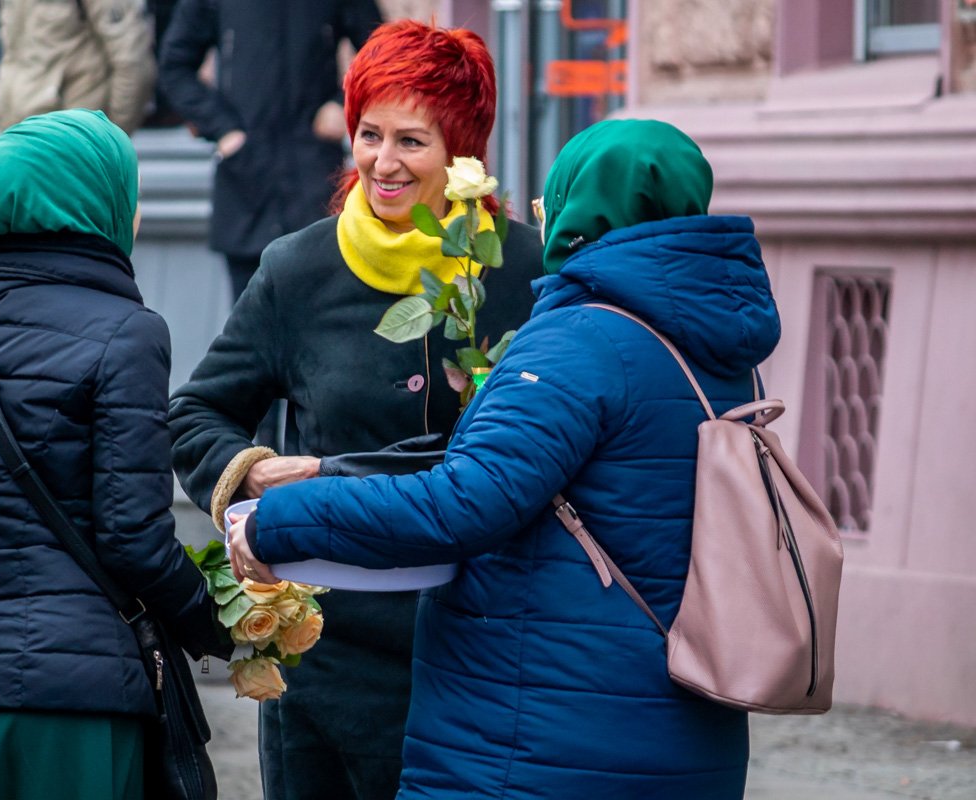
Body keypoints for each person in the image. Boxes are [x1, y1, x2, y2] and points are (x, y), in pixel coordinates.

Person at [229, 118, 781, 798]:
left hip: (537, 745)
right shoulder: (721, 347)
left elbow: (463, 504)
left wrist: (276, 520)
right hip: (685, 736)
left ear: (582, 205)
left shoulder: (581, 341)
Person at [168, 20, 543, 800]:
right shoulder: (298, 268)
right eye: (369, 134)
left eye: (413, 140)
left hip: (480, 641)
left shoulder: (522, 271)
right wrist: (249, 471)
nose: (383, 161)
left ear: (461, 150)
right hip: (329, 658)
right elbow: (195, 411)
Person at [0, 109, 230, 800]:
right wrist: (217, 624)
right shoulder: (128, 333)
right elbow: (133, 539)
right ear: (93, 203)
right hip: (69, 711)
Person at [157, 0, 383, 300]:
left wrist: (342, 104)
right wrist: (225, 130)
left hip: (314, 185)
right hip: (247, 185)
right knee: (251, 330)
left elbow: (382, 56)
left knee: (320, 323)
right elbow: (174, 66)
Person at [0, 0, 156, 134]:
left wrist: (110, 135)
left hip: (74, 137)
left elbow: (131, 59)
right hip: (17, 130)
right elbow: (13, 51)